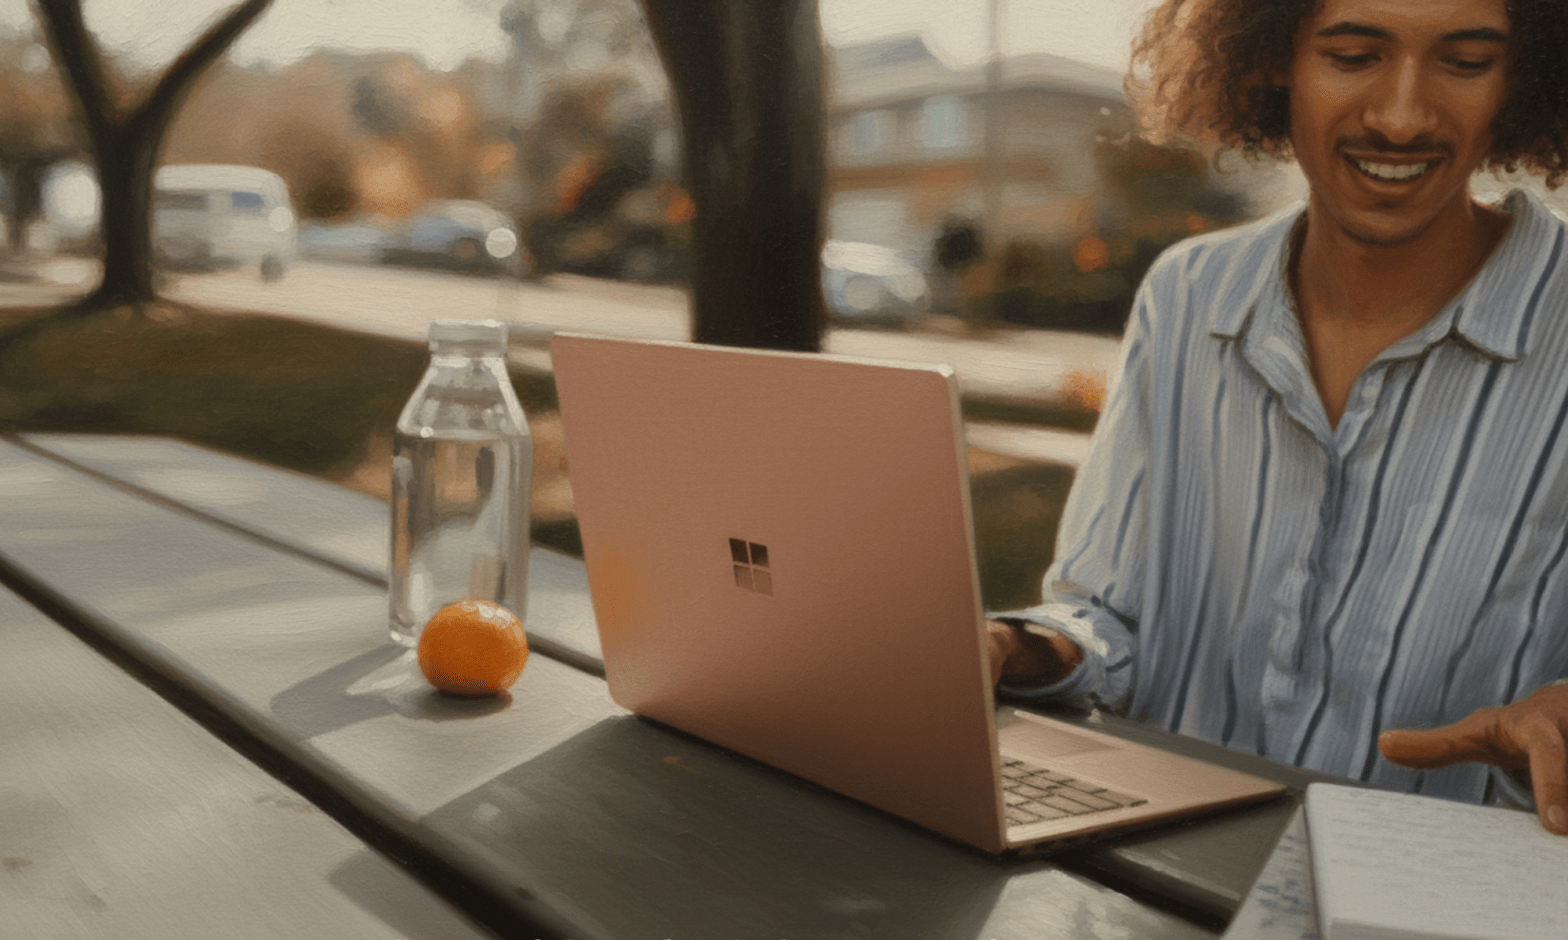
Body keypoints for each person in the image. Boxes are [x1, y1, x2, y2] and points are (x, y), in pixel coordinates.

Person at [985, 0, 1568, 835]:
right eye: (1355, 54)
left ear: (1523, 79)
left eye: (1466, 62)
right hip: (1160, 876)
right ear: (1272, 61)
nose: (1402, 116)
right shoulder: (1188, 294)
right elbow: (1106, 613)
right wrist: (1019, 647)